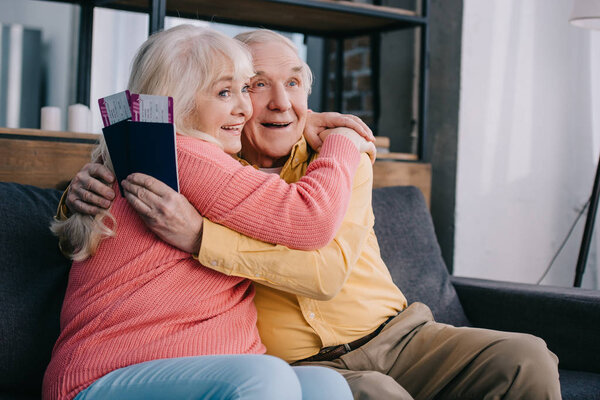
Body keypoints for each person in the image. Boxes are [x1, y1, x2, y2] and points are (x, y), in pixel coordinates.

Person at [63, 29, 562, 399]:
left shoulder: (337, 164)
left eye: (295, 84)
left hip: (400, 334)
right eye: (251, 86)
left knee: (527, 357)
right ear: (196, 98)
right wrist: (81, 189)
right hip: (296, 359)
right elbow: (130, 201)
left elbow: (324, 272)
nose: (279, 103)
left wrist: (201, 238)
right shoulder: (204, 157)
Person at [44, 24, 377, 400]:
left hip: (187, 373)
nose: (245, 107)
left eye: (243, 89)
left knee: (326, 386)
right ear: (179, 101)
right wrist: (344, 141)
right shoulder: (186, 154)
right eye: (225, 92)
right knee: (266, 379)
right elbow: (311, 219)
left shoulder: (171, 154)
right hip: (104, 379)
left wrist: (305, 121)